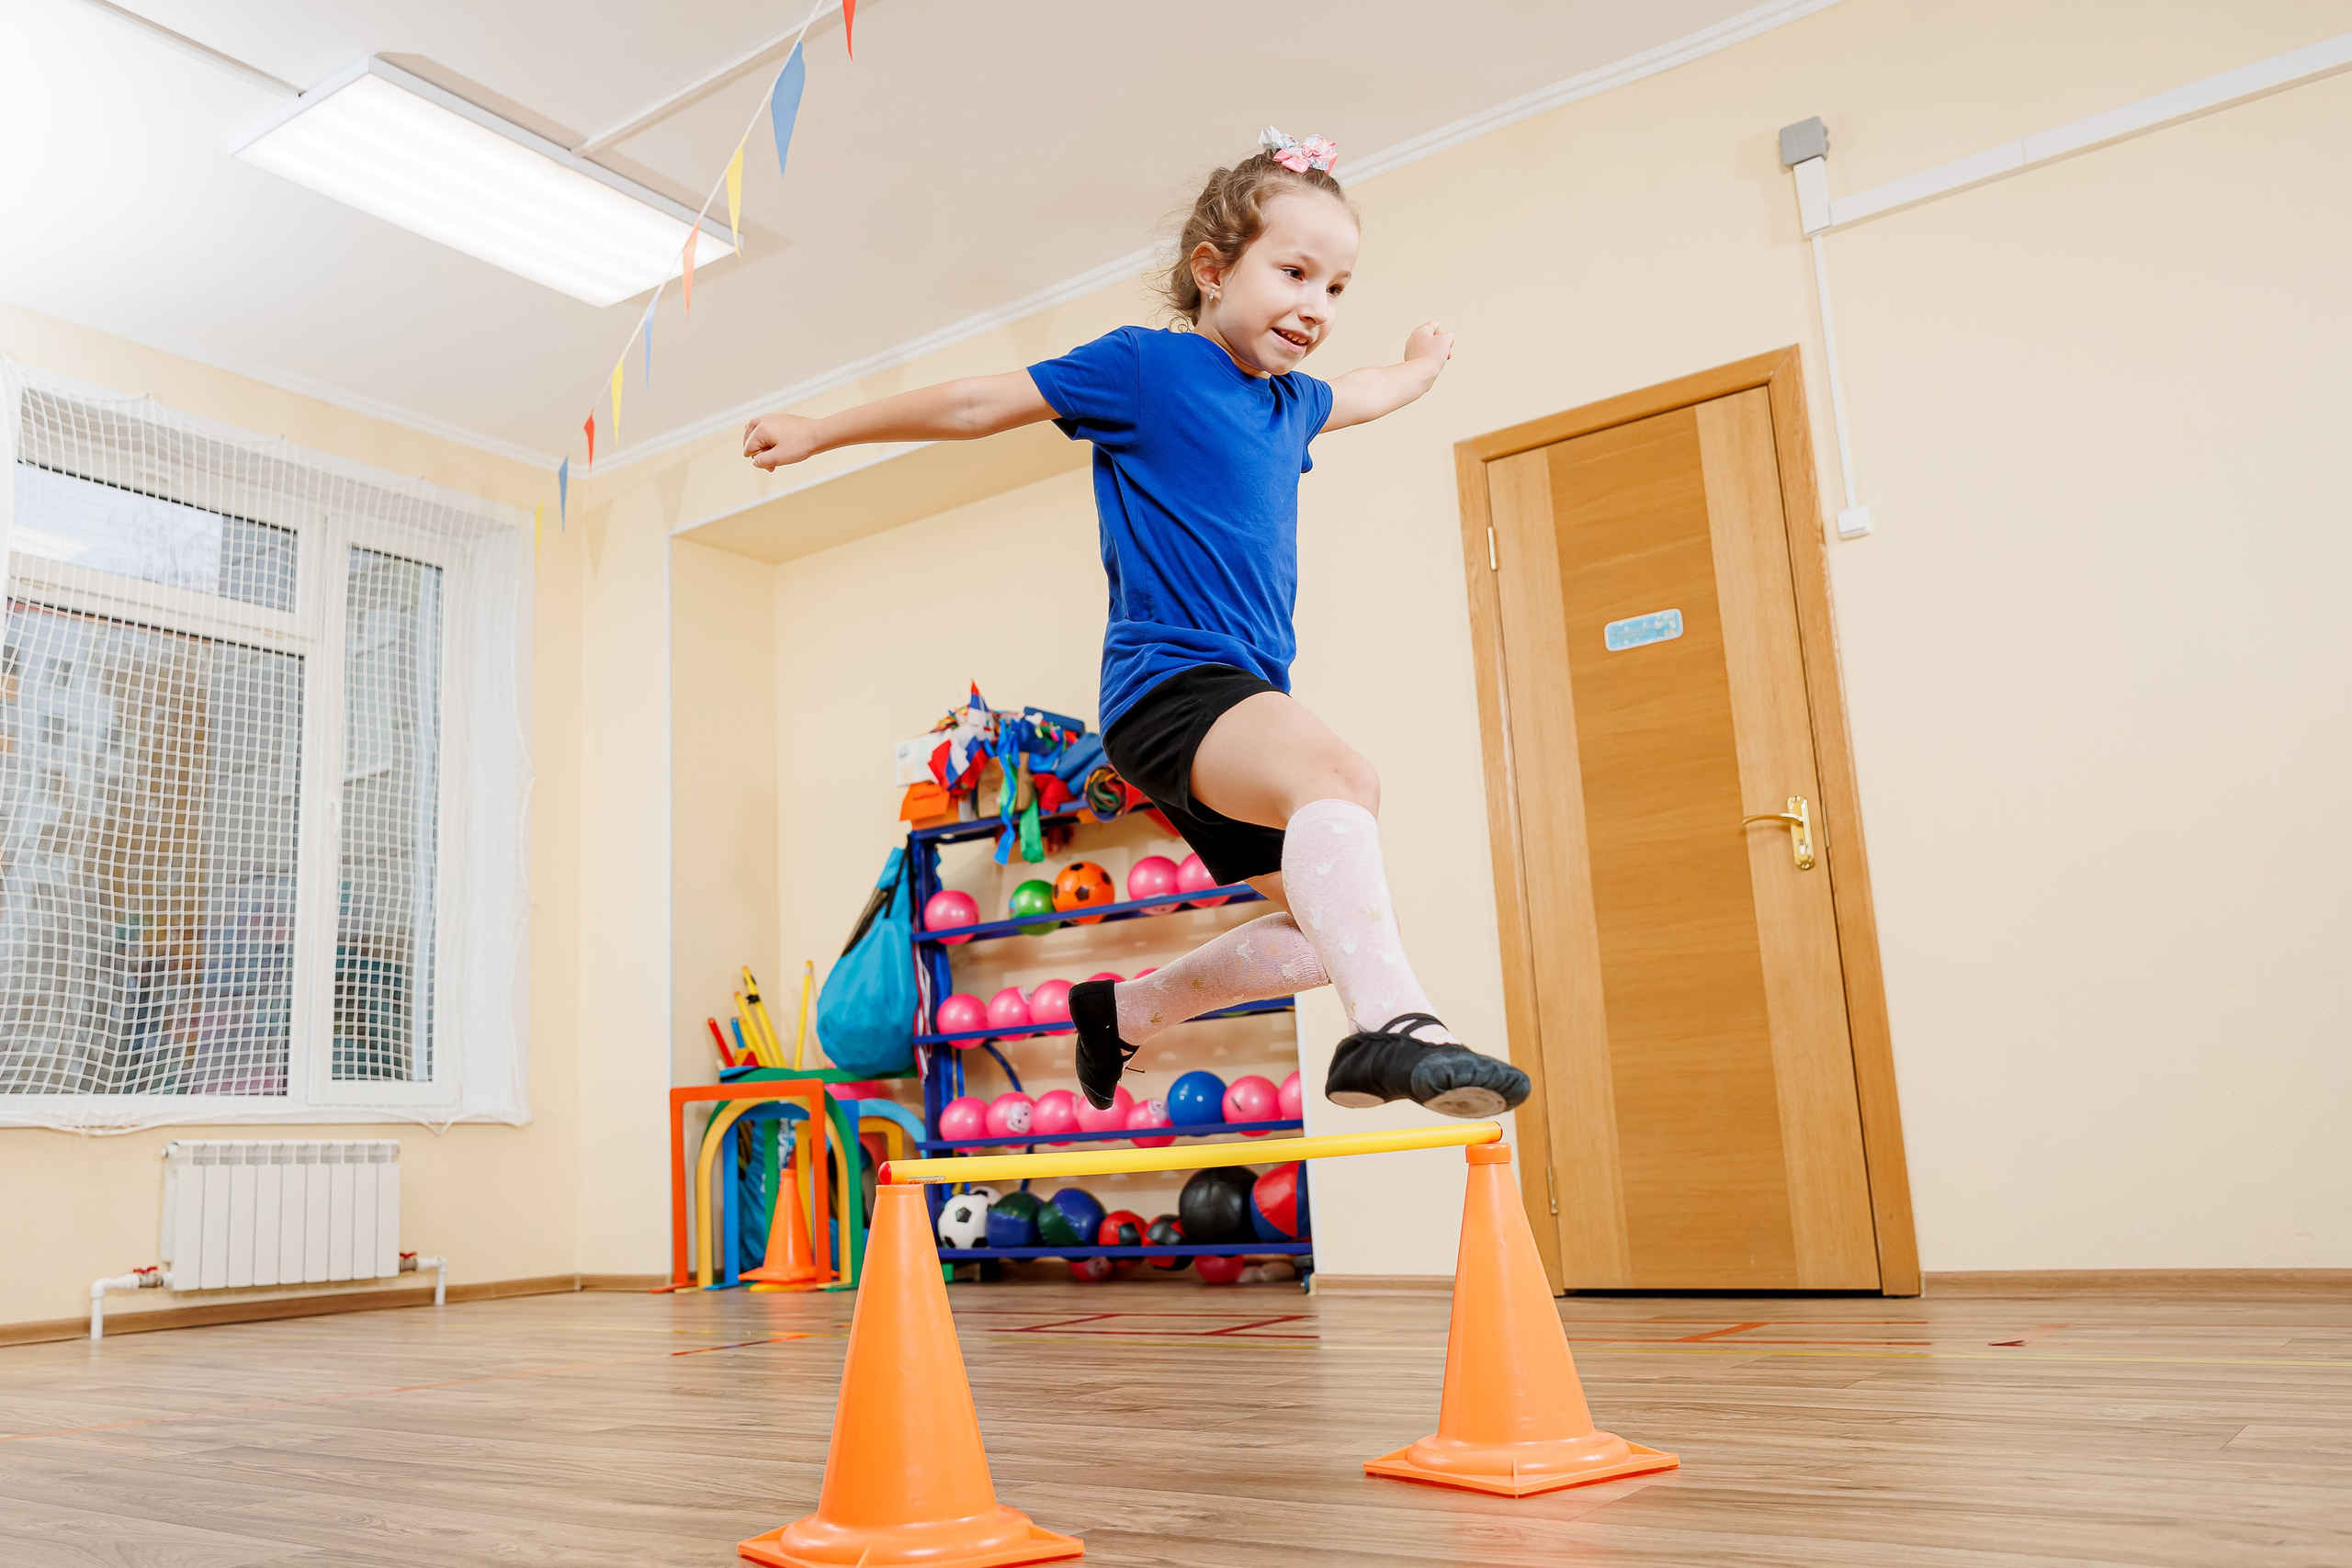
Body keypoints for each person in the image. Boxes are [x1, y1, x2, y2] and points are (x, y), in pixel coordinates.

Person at [744, 128, 1530, 1120]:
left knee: (1339, 925)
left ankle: (1123, 1010)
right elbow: (983, 402)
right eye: (1292, 271)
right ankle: (1398, 1031)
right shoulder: (1147, 371)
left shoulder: (1289, 406)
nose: (1316, 306)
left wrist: (1420, 367)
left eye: (1336, 287)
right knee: (1345, 785)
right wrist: (822, 430)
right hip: (1174, 689)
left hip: (1230, 705)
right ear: (1211, 269)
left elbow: (1370, 393)